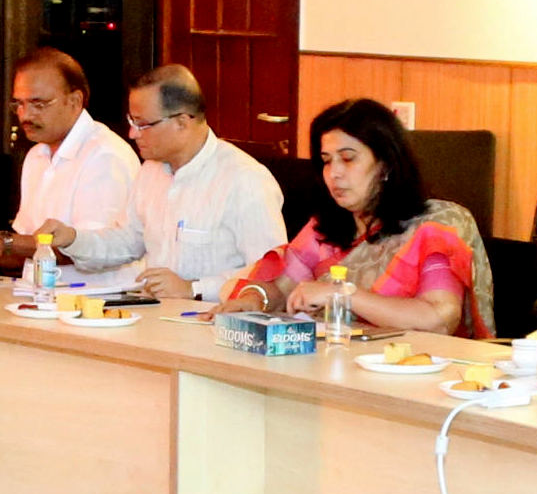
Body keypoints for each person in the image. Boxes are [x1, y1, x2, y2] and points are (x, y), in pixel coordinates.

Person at [219, 98, 495, 337]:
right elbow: (282, 291)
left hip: (420, 372)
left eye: (348, 159)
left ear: (385, 164)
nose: (334, 173)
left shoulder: (436, 226)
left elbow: (438, 319)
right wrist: (256, 299)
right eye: (327, 161)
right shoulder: (325, 227)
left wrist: (342, 294)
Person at [36, 65, 286, 301]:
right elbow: (126, 242)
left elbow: (272, 273)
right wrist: (72, 239)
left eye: (143, 124)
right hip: (158, 316)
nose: (132, 134)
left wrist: (194, 288)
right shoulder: (151, 171)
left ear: (182, 122)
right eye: (131, 121)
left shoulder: (245, 179)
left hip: (217, 324)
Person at [0, 48, 136, 274]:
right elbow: (25, 250)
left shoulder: (105, 156)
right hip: (38, 296)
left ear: (75, 101)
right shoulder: (37, 155)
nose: (25, 115)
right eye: (19, 104)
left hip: (97, 301)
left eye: (39, 104)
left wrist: (3, 241)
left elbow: (85, 251)